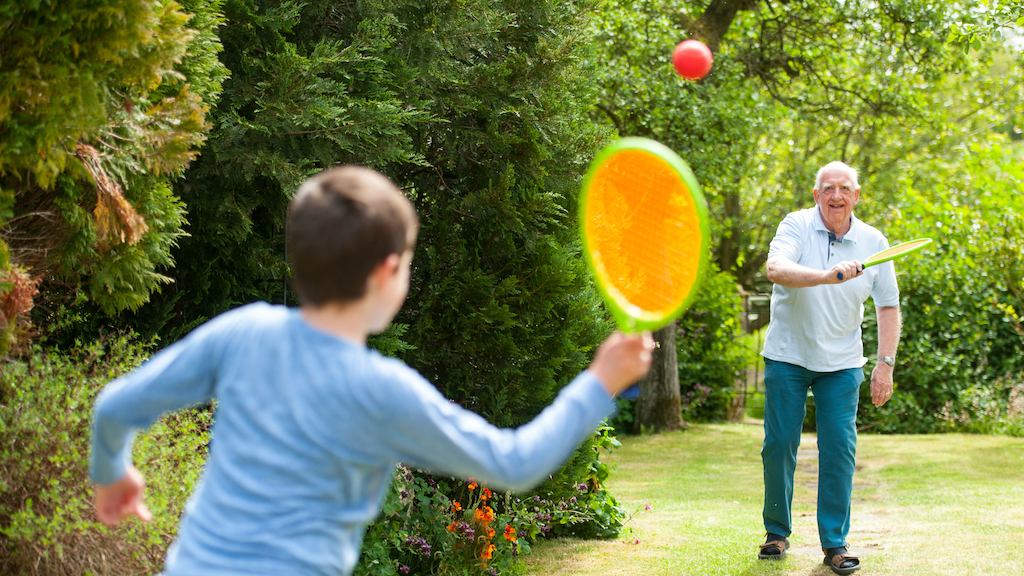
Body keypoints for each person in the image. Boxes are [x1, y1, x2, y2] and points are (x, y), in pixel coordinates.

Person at [90, 165, 654, 576]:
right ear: (388, 271)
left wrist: (113, 473)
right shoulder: (381, 390)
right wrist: (601, 380)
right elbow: (513, 462)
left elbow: (115, 407)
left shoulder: (243, 333)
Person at [757, 161, 901, 575]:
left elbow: (888, 305)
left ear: (857, 195)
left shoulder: (873, 240)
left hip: (841, 363)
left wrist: (885, 364)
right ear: (815, 194)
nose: (836, 195)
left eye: (844, 188)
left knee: (839, 448)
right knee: (779, 444)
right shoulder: (796, 225)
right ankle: (776, 532)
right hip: (788, 355)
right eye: (828, 188)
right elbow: (775, 269)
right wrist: (825, 276)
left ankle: (835, 543)